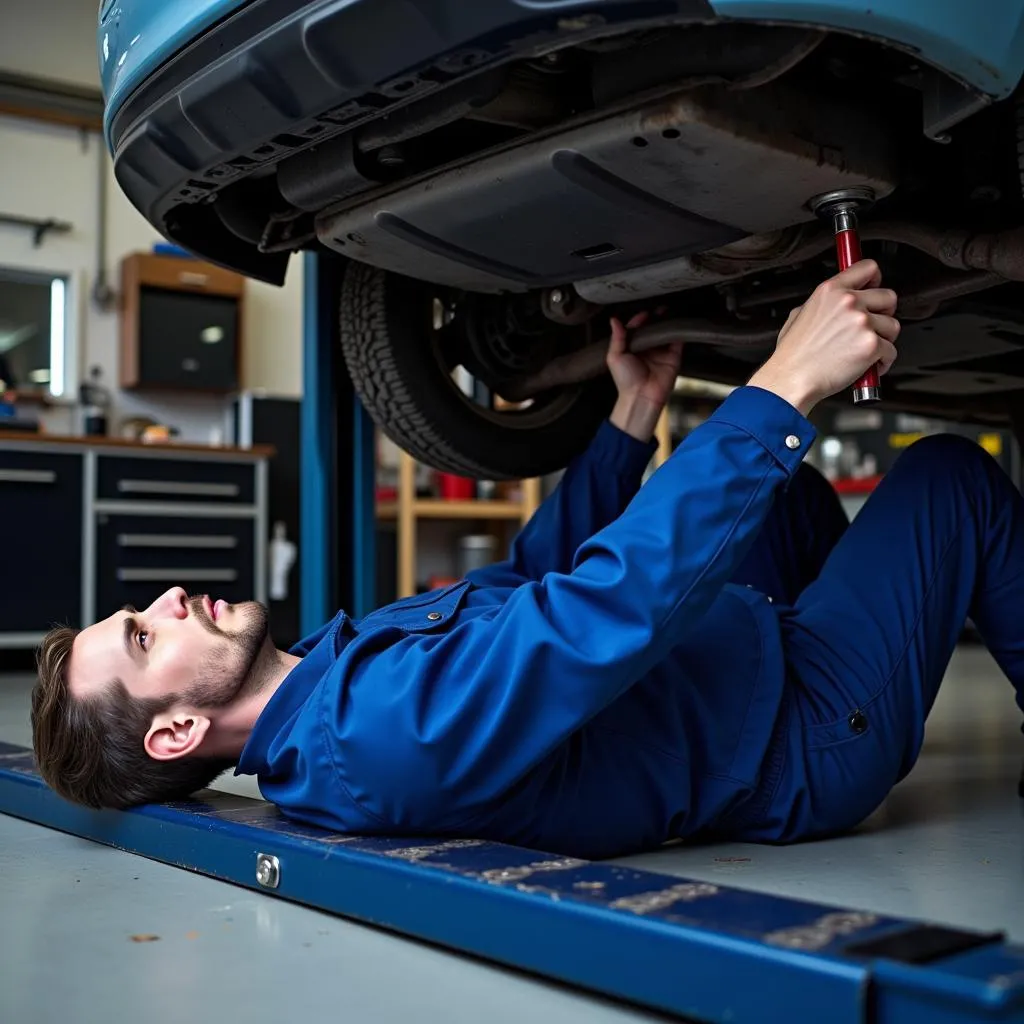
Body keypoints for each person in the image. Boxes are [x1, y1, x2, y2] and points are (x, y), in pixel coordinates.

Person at [30, 260, 1024, 860]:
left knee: (790, 490)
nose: (164, 598)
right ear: (178, 733)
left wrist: (629, 415)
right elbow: (599, 613)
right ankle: (888, 649)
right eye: (141, 633)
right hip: (799, 734)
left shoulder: (336, 682)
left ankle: (895, 618)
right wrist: (784, 378)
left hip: (735, 672)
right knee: (947, 478)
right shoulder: (379, 734)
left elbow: (527, 593)